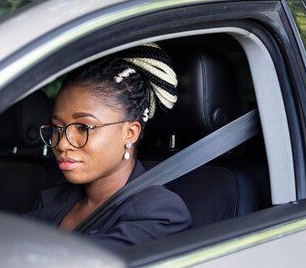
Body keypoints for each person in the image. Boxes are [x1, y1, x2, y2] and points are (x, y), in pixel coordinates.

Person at [27, 43, 191, 249]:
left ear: (130, 133)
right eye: (58, 128)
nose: (61, 144)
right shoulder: (53, 198)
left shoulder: (160, 214)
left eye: (83, 128)